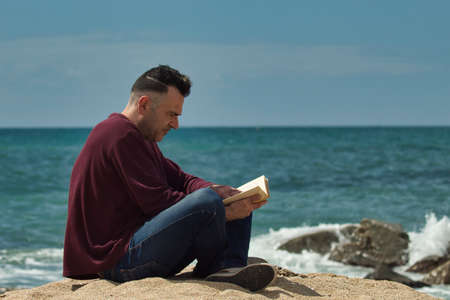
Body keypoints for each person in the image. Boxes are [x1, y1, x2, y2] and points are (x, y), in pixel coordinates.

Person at [63, 65, 276, 292]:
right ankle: (224, 265)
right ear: (144, 104)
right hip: (114, 262)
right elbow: (158, 202)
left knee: (226, 195)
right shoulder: (118, 134)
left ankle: (228, 266)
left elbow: (182, 180)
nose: (175, 124)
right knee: (208, 201)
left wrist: (223, 192)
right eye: (171, 115)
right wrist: (223, 211)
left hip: (133, 251)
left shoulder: (140, 138)